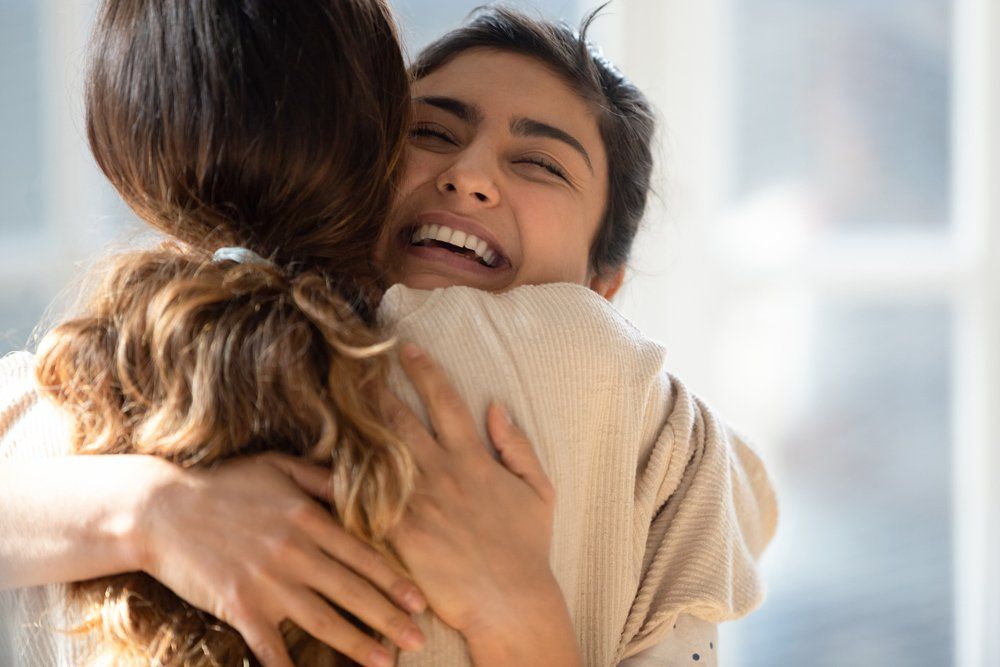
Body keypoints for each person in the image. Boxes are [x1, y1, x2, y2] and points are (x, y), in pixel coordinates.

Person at [0, 4, 778, 667]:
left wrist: (518, 610)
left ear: (604, 283)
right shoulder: (134, 356)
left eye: (539, 162)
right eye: (432, 133)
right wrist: (150, 509)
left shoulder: (662, 448)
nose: (469, 174)